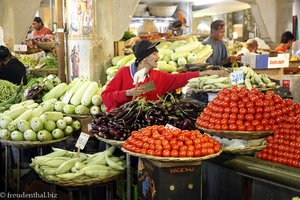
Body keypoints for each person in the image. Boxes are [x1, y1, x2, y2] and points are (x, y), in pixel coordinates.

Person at [101, 40, 228, 111]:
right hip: (119, 123)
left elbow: (181, 78)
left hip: (142, 127)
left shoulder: (157, 76)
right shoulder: (124, 73)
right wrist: (127, 93)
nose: (158, 57)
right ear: (144, 58)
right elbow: (105, 98)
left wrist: (208, 73)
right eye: (154, 54)